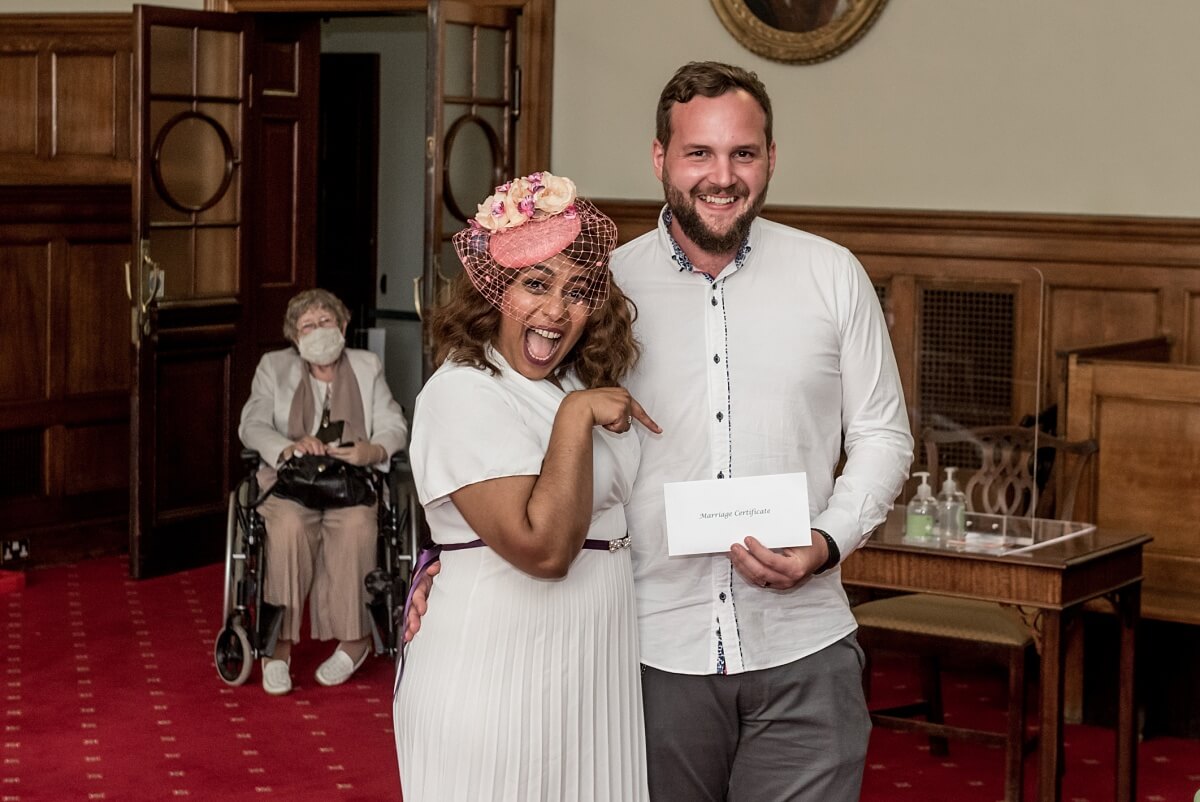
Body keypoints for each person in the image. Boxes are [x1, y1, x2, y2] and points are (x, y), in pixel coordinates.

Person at [404, 63, 913, 801]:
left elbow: (884, 436)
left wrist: (828, 541)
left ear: (771, 158)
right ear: (660, 159)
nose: (722, 175)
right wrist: (450, 557)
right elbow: (519, 428)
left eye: (743, 153)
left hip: (803, 642)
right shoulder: (596, 290)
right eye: (698, 153)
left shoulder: (832, 275)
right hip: (644, 653)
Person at [393, 172, 659, 801]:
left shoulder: (570, 383)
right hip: (497, 678)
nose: (556, 310)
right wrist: (576, 420)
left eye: (577, 291)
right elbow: (543, 550)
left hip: (589, 672)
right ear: (493, 295)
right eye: (535, 285)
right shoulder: (463, 391)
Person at [239, 288, 408, 696]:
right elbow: (252, 424)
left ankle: (355, 639)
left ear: (343, 325)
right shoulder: (272, 367)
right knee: (289, 529)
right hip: (292, 482)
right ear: (294, 336)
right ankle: (279, 646)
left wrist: (372, 449)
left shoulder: (366, 366)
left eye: (326, 322)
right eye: (307, 326)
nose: (318, 331)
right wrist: (289, 446)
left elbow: (394, 423)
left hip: (350, 481)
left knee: (356, 527)